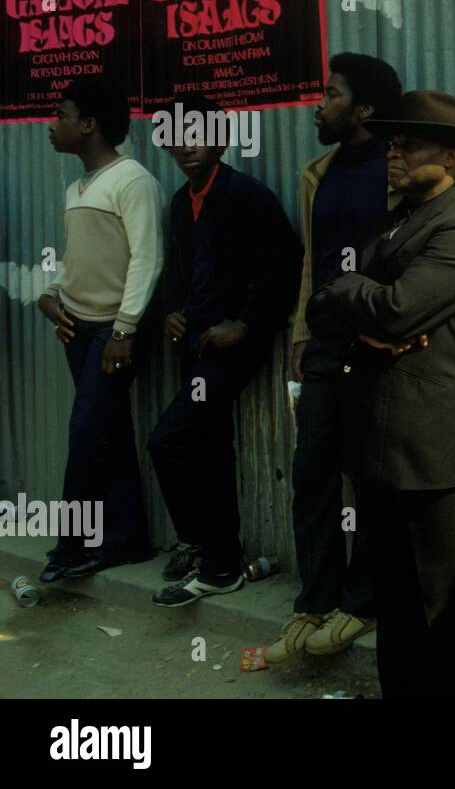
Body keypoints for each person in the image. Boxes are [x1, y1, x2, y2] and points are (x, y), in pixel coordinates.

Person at [307, 89, 455, 698]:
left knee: (443, 604)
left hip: (429, 447)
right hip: (377, 443)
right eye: (391, 141)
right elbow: (325, 305)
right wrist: (359, 300)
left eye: (408, 143)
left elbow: (394, 312)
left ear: (450, 154)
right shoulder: (395, 221)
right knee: (394, 602)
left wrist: (361, 301)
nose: (394, 151)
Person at [266, 53, 402, 664]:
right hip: (323, 349)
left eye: (331, 94)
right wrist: (300, 334)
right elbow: (312, 262)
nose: (319, 105)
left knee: (372, 478)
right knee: (313, 472)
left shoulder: (399, 170)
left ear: (365, 109)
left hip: (377, 350)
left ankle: (363, 599)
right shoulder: (317, 171)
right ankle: (315, 598)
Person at [147, 94, 303, 606]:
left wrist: (245, 324)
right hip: (193, 345)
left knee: (169, 440)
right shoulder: (178, 202)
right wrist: (171, 308)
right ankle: (221, 564)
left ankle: (204, 546)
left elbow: (285, 265)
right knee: (207, 449)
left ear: (219, 138)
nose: (186, 144)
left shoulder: (245, 196)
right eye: (175, 134)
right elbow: (176, 275)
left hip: (230, 348)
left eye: (196, 132)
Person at [36, 78, 163, 582]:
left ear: (88, 125)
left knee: (87, 430)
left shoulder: (133, 180)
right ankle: (127, 540)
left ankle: (71, 547)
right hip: (79, 328)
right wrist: (52, 295)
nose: (52, 125)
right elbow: (79, 257)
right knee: (108, 431)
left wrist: (124, 330)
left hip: (114, 329)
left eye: (61, 115)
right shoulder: (77, 188)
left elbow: (148, 259)